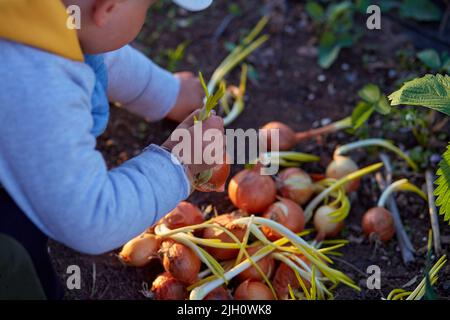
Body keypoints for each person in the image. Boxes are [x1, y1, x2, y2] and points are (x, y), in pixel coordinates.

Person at [0, 0, 221, 299]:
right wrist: (179, 163)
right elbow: (92, 219)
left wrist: (168, 93)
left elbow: (97, 51)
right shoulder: (38, 85)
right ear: (108, 8)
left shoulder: (42, 17)